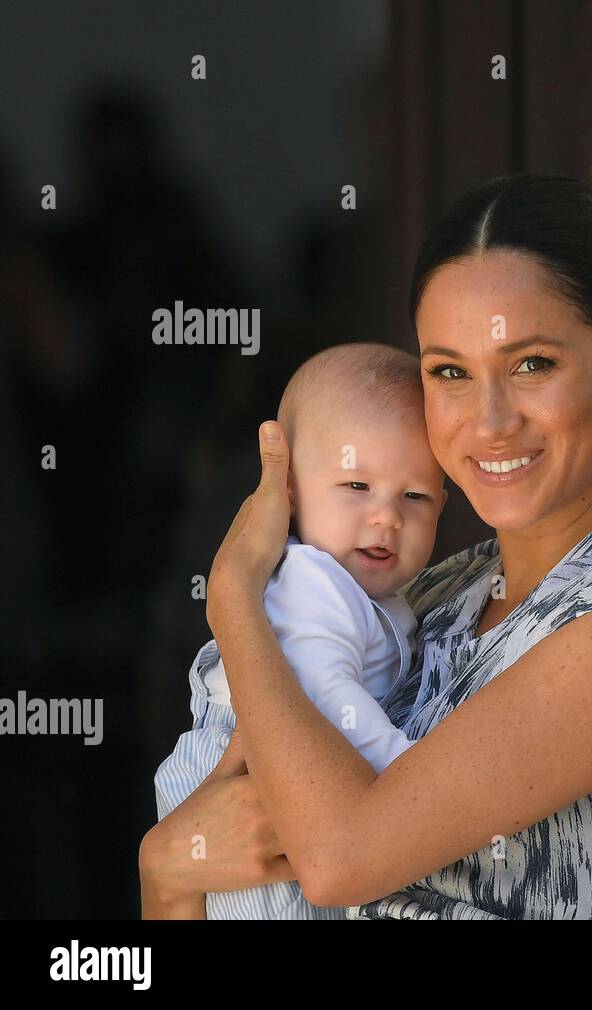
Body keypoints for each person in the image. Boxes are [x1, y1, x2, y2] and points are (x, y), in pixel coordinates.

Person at [139, 174, 592, 920]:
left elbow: (339, 860)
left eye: (533, 363)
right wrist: (164, 871)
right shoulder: (427, 597)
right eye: (450, 373)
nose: (490, 420)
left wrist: (236, 597)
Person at [152, 342, 446, 918]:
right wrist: (409, 781)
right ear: (287, 494)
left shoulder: (380, 597)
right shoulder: (314, 582)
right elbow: (328, 696)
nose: (387, 516)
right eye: (356, 487)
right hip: (245, 787)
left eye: (415, 496)